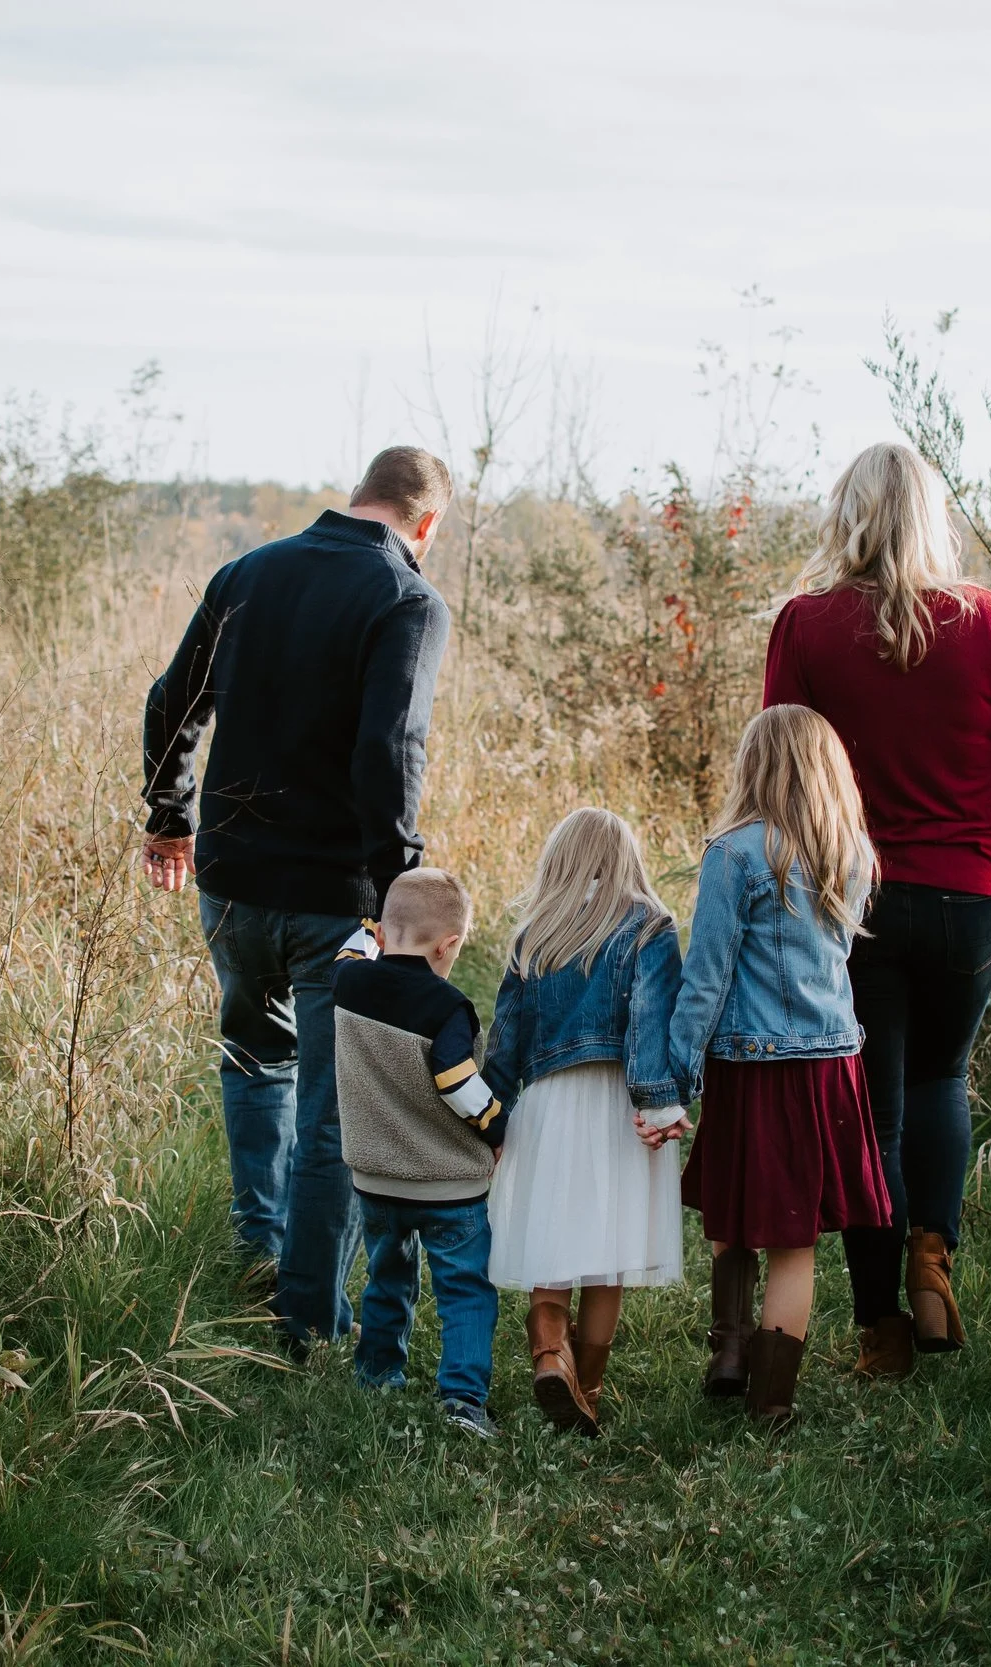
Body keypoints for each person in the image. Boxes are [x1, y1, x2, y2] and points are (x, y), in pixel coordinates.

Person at [762, 442, 991, 1378]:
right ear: (935, 518)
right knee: (944, 1080)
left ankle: (880, 1328)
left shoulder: (806, 627)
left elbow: (784, 782)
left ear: (846, 516)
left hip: (855, 902)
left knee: (872, 1114)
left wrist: (780, 905)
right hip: (971, 898)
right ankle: (934, 1264)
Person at [139, 446, 456, 1348]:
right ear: (425, 523)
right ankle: (307, 1316)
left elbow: (173, 700)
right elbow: (389, 752)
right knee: (333, 1107)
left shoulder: (247, 572)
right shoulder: (407, 600)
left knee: (254, 1060)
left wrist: (169, 817)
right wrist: (400, 891)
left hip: (231, 883)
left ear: (361, 494)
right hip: (333, 897)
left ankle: (258, 1254)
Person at [669, 705, 889, 1425]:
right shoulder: (849, 850)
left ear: (753, 767)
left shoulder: (734, 853)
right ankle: (771, 1396)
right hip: (830, 1065)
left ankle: (731, 1353)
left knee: (732, 1213)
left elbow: (706, 976)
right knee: (795, 1239)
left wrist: (678, 1068)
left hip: (751, 1064)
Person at [479, 808, 687, 1436]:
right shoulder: (650, 927)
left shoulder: (535, 933)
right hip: (617, 1105)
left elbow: (505, 1040)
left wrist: (491, 1115)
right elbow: (651, 1025)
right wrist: (658, 1102)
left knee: (554, 1234)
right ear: (628, 859)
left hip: (547, 1105)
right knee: (607, 1253)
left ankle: (549, 1352)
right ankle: (587, 1388)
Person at [331, 869, 504, 1437]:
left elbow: (352, 947)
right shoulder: (447, 1006)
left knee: (386, 1276)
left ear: (381, 934)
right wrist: (498, 1128)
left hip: (376, 1177)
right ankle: (462, 1401)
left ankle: (377, 1376)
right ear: (448, 945)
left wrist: (371, 924)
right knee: (465, 1289)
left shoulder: (348, 983)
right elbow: (458, 1085)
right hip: (446, 1183)